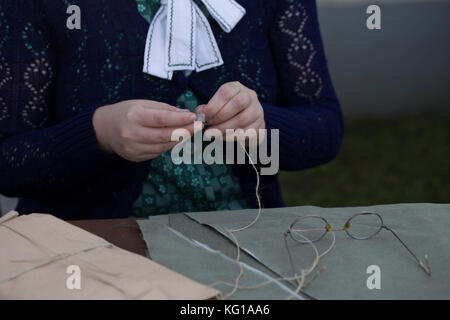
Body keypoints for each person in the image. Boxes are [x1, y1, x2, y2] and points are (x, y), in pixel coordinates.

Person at [0, 0, 343, 220]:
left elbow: (324, 132)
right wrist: (97, 133)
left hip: (245, 238)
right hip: (90, 247)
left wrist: (263, 126)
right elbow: (9, 164)